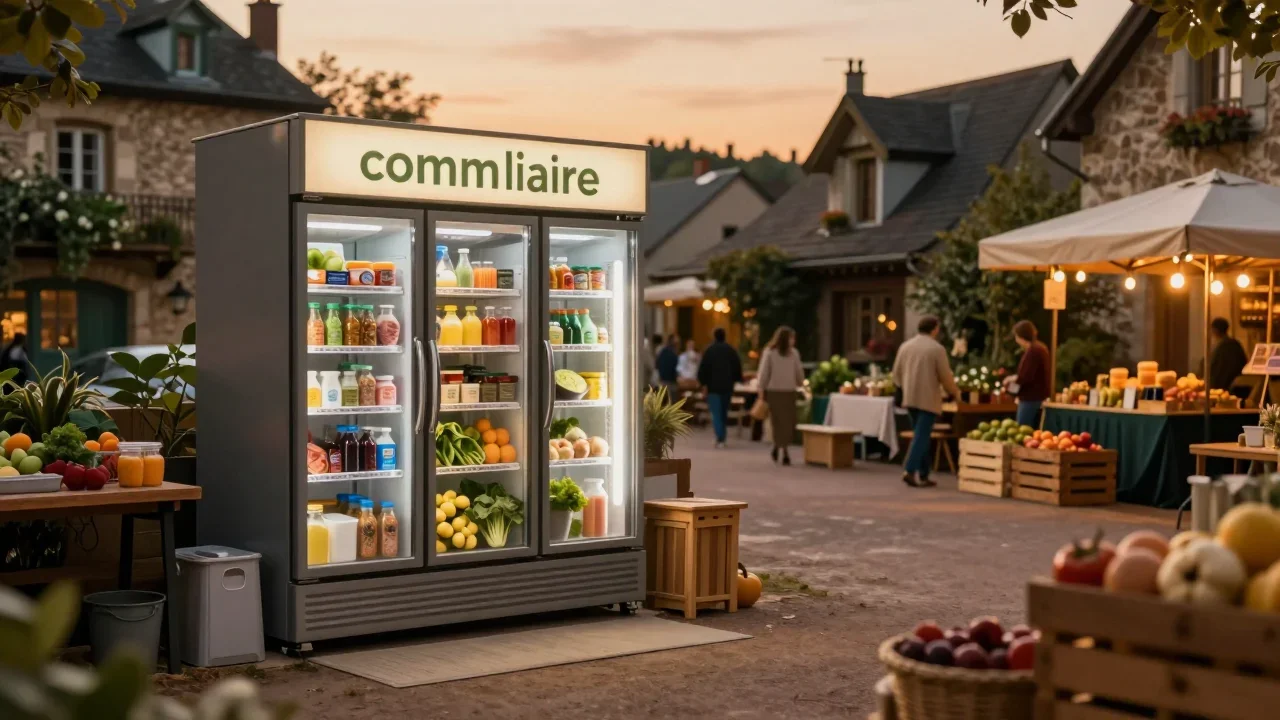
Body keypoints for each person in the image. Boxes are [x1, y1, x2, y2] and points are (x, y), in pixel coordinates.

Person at [892, 316, 962, 488]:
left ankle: (924, 474)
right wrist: (954, 392)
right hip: (928, 398)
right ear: (935, 329)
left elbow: (896, 373)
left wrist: (903, 388)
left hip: (910, 397)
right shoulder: (936, 349)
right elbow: (945, 376)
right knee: (922, 435)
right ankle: (909, 470)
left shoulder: (905, 346)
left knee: (920, 434)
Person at [757, 326, 804, 465]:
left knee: (779, 423)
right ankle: (785, 451)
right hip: (786, 391)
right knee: (785, 423)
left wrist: (761, 388)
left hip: (777, 392)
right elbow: (799, 373)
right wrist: (800, 382)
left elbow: (764, 373)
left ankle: (778, 447)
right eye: (792, 338)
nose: (793, 341)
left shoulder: (771, 353)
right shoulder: (791, 354)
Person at [697, 328, 743, 448]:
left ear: (714, 336)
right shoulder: (731, 350)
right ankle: (722, 437)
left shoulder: (709, 351)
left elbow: (703, 368)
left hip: (713, 387)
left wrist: (703, 383)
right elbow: (737, 367)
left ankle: (720, 437)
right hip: (727, 387)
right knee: (723, 412)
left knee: (716, 413)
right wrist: (736, 380)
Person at [1006, 320, 1052, 428]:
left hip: (1030, 399)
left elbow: (1024, 377)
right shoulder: (1041, 348)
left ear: (1020, 336)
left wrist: (1010, 390)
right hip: (1037, 397)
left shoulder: (1033, 351)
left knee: (1023, 429)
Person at [1208, 317, 1247, 392]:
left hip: (1222, 390)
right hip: (1239, 387)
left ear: (1214, 330)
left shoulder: (1221, 348)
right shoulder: (1236, 344)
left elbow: (1215, 371)